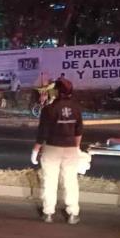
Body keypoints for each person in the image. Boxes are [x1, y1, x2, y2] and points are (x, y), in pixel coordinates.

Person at [31, 77, 84, 224]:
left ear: (57, 91)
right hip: (71, 148)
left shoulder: (49, 109)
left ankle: (48, 213)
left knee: (50, 180)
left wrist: (36, 150)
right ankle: (73, 213)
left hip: (52, 148)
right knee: (70, 181)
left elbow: (43, 132)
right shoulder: (77, 108)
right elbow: (79, 131)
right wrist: (77, 148)